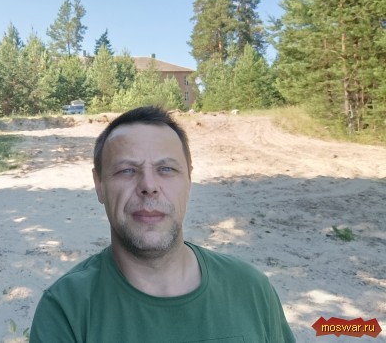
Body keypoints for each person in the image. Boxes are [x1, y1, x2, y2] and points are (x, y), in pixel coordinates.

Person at [30, 106, 295, 342]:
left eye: (166, 169)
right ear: (99, 185)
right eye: (126, 170)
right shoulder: (66, 309)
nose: (149, 186)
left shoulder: (251, 289)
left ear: (189, 181)